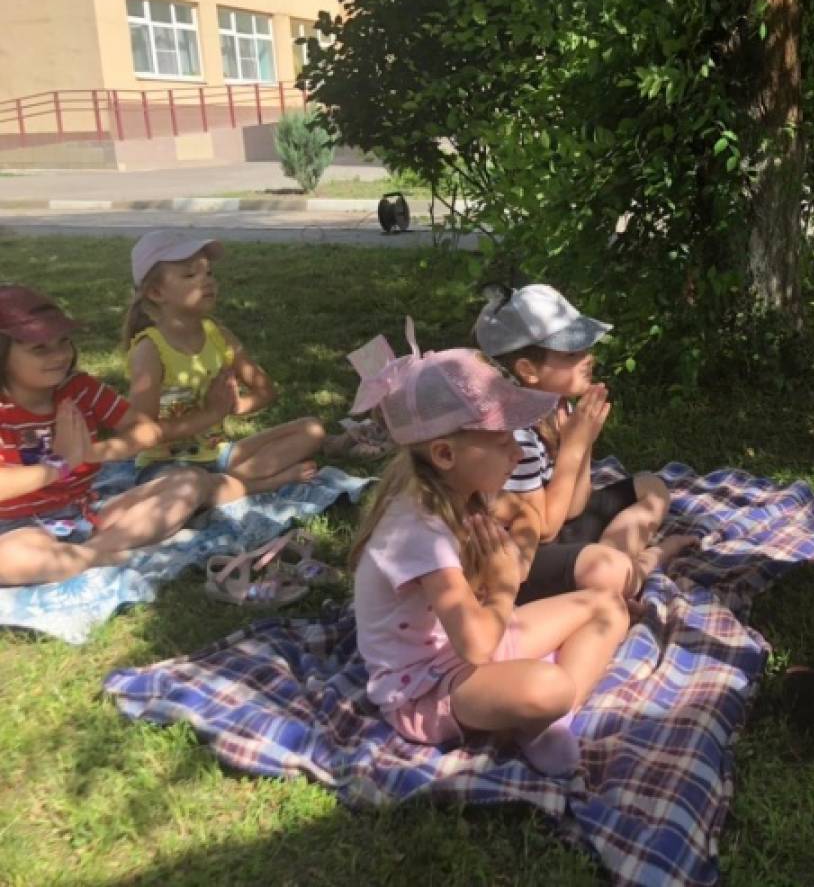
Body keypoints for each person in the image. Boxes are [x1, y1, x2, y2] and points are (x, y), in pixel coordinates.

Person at [348, 321, 630, 776]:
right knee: (548, 686)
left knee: (608, 606)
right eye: (502, 441)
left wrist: (516, 556)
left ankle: (548, 723)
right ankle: (544, 710)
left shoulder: (460, 489)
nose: (517, 453)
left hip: (477, 640)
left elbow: (522, 518)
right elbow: (478, 646)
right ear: (445, 454)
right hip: (429, 686)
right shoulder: (417, 531)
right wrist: (502, 584)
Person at [475, 284, 695, 602]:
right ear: (527, 370)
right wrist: (573, 447)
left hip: (556, 527)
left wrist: (584, 440)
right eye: (571, 354)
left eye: (585, 348)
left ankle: (612, 569)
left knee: (652, 487)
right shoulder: (515, 432)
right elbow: (545, 529)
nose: (588, 358)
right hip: (520, 558)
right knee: (609, 570)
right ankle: (638, 566)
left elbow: (575, 507)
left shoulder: (557, 403)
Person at [0, 285, 225, 585]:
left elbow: (145, 430)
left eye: (63, 341)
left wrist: (92, 452)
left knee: (190, 481)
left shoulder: (79, 389)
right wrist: (62, 464)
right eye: (39, 348)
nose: (59, 355)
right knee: (7, 559)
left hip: (85, 513)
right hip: (16, 528)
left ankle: (86, 554)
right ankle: (100, 556)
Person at [123, 231, 324, 503]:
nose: (207, 281)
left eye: (209, 272)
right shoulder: (150, 351)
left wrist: (236, 405)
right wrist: (211, 413)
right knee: (187, 486)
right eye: (190, 275)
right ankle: (263, 483)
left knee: (312, 429)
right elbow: (142, 434)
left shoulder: (220, 337)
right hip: (166, 468)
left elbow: (265, 390)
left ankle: (223, 485)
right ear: (156, 292)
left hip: (220, 455)